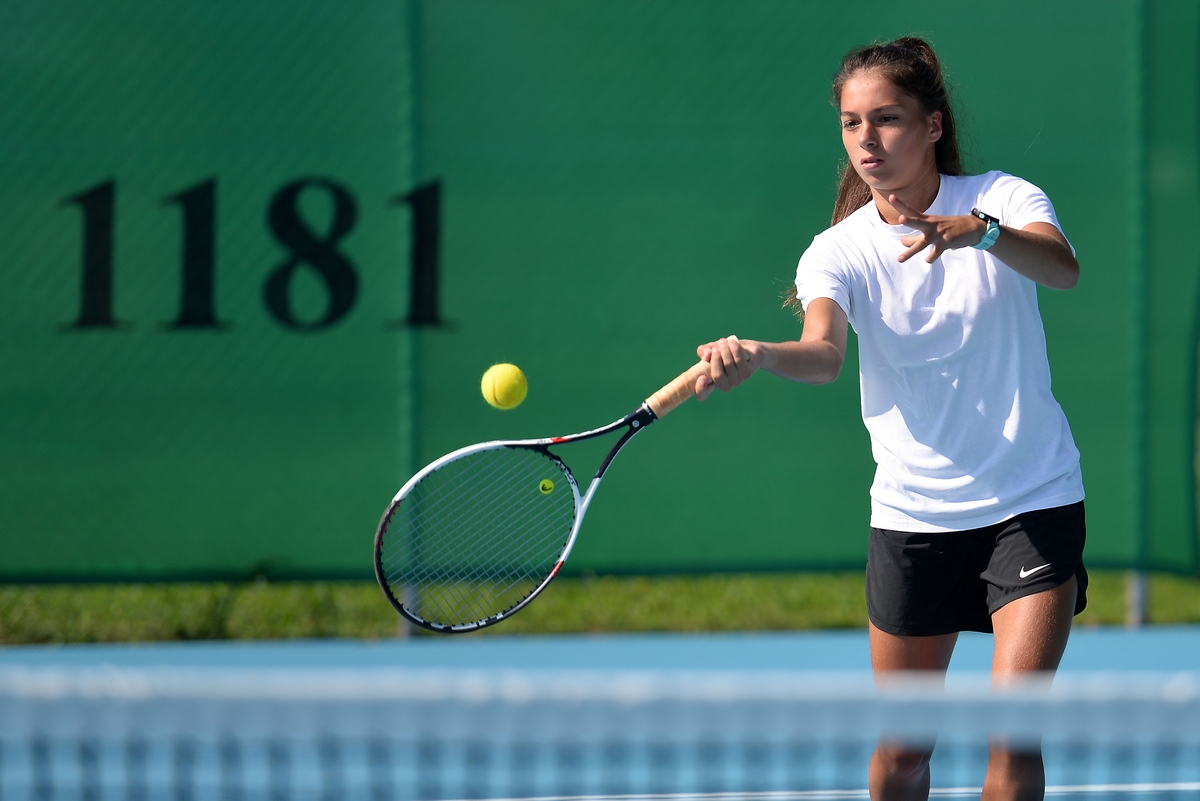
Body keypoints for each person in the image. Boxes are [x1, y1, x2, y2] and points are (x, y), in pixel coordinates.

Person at [693, 37, 1086, 801]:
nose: (867, 140)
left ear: (933, 125)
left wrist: (986, 232)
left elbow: (1064, 269)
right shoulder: (837, 251)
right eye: (850, 123)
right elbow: (823, 351)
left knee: (1014, 734)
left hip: (1032, 500)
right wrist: (762, 355)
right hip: (913, 518)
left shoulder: (1004, 197)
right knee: (905, 753)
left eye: (887, 119)